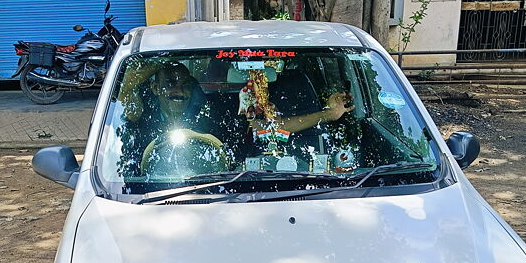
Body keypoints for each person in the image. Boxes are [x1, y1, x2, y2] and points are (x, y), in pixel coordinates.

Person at [116, 61, 355, 176]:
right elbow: (126, 85)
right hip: (155, 190)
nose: (179, 91)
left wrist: (328, 114)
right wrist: (169, 57)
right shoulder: (139, 114)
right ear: (155, 89)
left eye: (185, 84)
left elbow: (273, 128)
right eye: (169, 84)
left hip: (225, 189)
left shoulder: (221, 112)